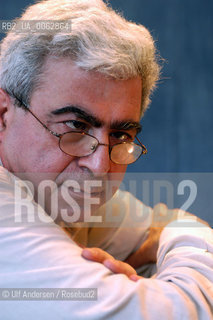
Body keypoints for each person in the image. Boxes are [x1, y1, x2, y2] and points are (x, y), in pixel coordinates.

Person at [0, 0, 212, 319]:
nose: (99, 167)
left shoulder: (63, 193)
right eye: (76, 126)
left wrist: (135, 285)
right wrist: (153, 284)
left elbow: (171, 223)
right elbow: (185, 311)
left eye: (121, 135)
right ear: (3, 115)